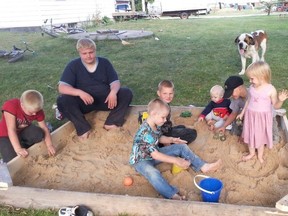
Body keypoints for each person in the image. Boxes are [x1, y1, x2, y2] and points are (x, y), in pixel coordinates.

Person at [129, 98, 222, 200]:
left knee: (181, 147)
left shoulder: (155, 124)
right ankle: (172, 195)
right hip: (141, 160)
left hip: (152, 153)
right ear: (153, 114)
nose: (165, 120)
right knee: (153, 173)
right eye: (163, 117)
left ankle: (203, 166)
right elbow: (155, 155)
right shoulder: (145, 132)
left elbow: (159, 138)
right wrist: (176, 160)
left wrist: (172, 139)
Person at [57, 38, 133, 140]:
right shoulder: (73, 65)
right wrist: (79, 92)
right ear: (79, 53)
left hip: (106, 100)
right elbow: (62, 87)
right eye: (84, 53)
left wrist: (113, 93)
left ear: (95, 51)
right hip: (85, 102)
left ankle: (111, 122)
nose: (88, 56)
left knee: (126, 93)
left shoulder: (104, 63)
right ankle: (83, 128)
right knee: (62, 100)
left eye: (91, 52)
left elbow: (115, 82)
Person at [237, 61, 288, 163]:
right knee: (250, 135)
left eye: (252, 78)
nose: (250, 81)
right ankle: (251, 153)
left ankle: (260, 156)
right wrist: (242, 113)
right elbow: (248, 101)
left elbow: (275, 106)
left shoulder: (270, 89)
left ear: (262, 76)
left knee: (260, 138)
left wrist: (281, 100)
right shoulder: (252, 88)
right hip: (250, 116)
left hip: (262, 119)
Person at [0, 90, 56, 162]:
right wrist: (18, 149)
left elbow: (44, 127)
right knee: (12, 160)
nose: (34, 114)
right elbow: (11, 130)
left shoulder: (36, 110)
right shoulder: (11, 106)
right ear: (22, 105)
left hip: (23, 130)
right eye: (31, 112)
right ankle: (18, 146)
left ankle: (23, 144)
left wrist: (49, 145)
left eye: (36, 111)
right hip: (5, 135)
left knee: (39, 134)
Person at [157, 80, 197, 145]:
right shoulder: (160, 108)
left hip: (167, 130)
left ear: (173, 93)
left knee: (182, 127)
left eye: (170, 93)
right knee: (193, 133)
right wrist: (167, 142)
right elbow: (157, 129)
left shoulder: (163, 103)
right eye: (165, 93)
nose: (168, 96)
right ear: (159, 93)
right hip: (162, 136)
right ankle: (173, 144)